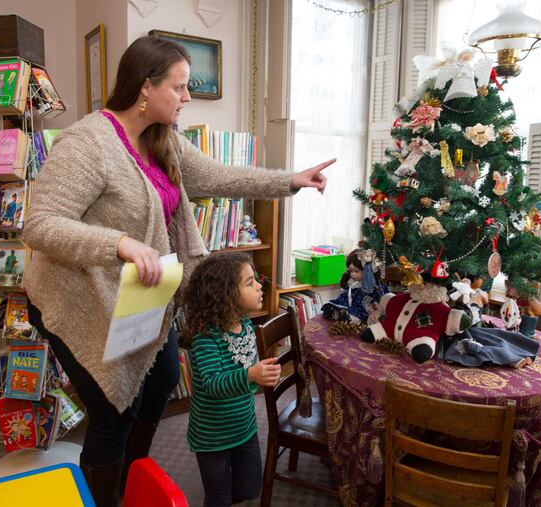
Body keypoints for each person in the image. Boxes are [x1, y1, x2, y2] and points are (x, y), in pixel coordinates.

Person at [22, 35, 335, 507]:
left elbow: (219, 175)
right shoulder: (89, 142)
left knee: (162, 379)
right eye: (182, 86)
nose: (188, 97)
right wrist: (119, 243)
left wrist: (290, 181)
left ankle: (132, 483)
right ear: (146, 88)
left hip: (141, 294)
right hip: (80, 297)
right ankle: (104, 497)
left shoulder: (162, 138)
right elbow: (39, 224)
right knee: (112, 412)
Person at [183, 252, 280, 506]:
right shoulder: (206, 338)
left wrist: (260, 376)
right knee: (218, 496)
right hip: (212, 436)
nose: (260, 286)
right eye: (250, 283)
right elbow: (214, 384)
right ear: (226, 295)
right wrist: (250, 375)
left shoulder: (247, 326)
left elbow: (246, 373)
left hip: (245, 428)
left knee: (250, 488)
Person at [322, 248, 390, 323]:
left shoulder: (374, 287)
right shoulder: (354, 284)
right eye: (351, 271)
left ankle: (349, 317)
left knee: (360, 312)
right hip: (351, 304)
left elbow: (376, 302)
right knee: (341, 301)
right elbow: (347, 296)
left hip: (364, 309)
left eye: (356, 271)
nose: (352, 274)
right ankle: (336, 312)